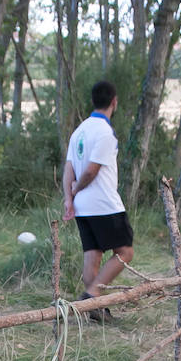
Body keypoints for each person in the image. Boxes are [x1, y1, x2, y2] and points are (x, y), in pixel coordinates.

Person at [63, 80, 134, 324]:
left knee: (93, 255)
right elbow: (91, 171)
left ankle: (95, 308)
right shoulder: (105, 132)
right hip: (104, 203)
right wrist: (76, 188)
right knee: (125, 251)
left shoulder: (79, 131)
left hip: (83, 206)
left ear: (92, 101)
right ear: (114, 101)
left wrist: (69, 198)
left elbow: (68, 168)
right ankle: (92, 295)